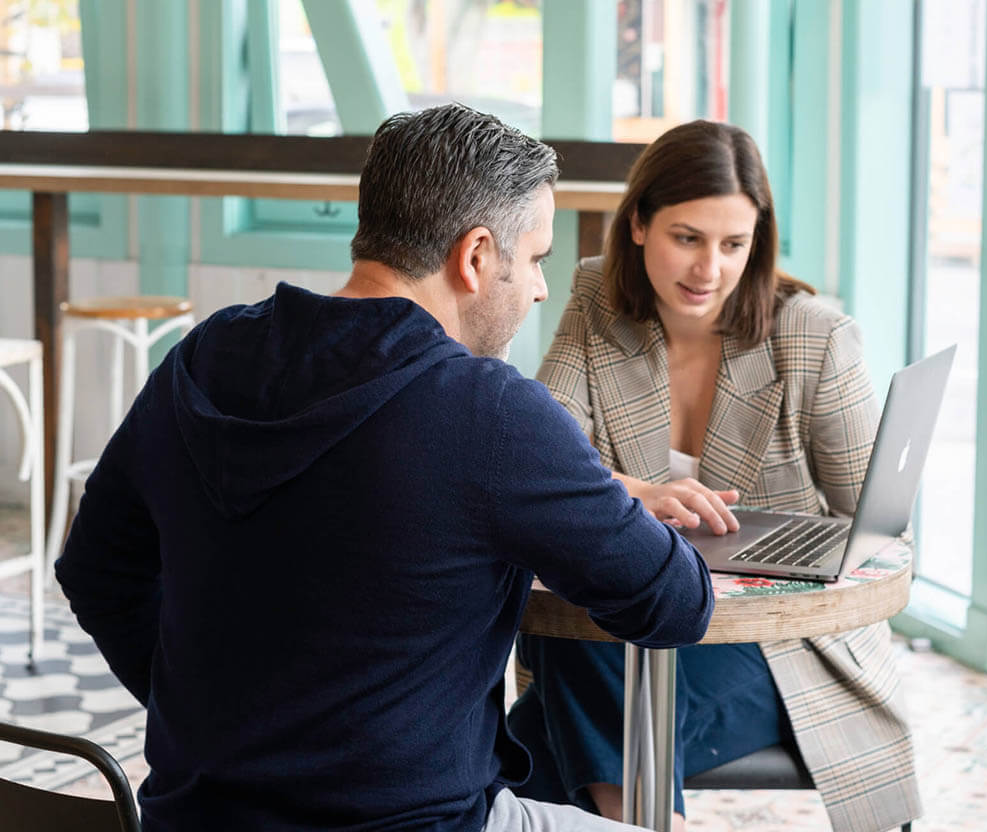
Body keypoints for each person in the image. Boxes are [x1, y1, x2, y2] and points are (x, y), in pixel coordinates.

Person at [54, 103, 718, 832]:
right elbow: (676, 604)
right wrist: (594, 487)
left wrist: (208, 726)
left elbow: (93, 567)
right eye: (534, 259)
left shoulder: (204, 358)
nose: (537, 288)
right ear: (474, 257)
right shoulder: (492, 413)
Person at [508, 119, 921, 832]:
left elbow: (877, 528)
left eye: (735, 245)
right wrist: (638, 495)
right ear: (638, 224)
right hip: (638, 621)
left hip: (775, 645)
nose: (709, 271)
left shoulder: (814, 337)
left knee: (517, 739)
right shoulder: (597, 298)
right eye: (687, 238)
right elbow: (540, 458)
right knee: (582, 642)